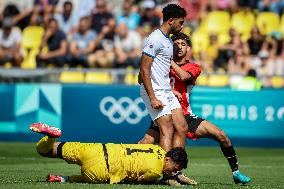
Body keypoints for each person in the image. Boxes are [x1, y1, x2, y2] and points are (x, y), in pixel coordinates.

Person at [139, 32, 251, 185]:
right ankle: (135, 170)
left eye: (183, 44)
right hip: (165, 112)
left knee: (221, 135)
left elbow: (184, 76)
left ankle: (236, 172)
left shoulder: (194, 66)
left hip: (185, 114)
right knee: (144, 144)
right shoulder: (160, 65)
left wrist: (168, 60)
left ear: (188, 49)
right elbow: (143, 78)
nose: (179, 47)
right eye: (175, 44)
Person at [29, 122, 189, 186]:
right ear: (167, 158)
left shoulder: (156, 148)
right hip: (100, 171)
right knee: (89, 178)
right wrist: (161, 182)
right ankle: (64, 178)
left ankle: (50, 137)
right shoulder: (155, 172)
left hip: (97, 149)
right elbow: (140, 181)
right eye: (174, 168)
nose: (173, 172)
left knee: (47, 151)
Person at [138, 4, 188, 153]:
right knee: (166, 130)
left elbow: (160, 69)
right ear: (171, 21)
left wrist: (171, 89)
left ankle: (175, 167)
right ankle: (167, 172)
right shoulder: (155, 39)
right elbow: (144, 68)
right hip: (155, 91)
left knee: (182, 127)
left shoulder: (167, 40)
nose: (182, 25)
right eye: (181, 22)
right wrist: (152, 97)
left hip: (166, 90)